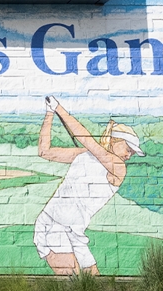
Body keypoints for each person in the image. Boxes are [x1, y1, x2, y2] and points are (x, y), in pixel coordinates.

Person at [34, 97, 143, 275]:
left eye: (132, 152)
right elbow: (44, 152)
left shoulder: (118, 169)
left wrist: (59, 108)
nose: (129, 155)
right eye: (128, 148)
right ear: (113, 140)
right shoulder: (85, 155)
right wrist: (50, 113)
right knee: (77, 285)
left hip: (74, 231)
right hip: (52, 224)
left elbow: (87, 141)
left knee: (88, 286)